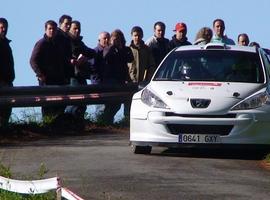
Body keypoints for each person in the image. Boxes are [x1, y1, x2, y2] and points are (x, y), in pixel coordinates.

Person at [30, 20, 71, 120]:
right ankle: (47, 125)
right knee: (48, 106)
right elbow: (33, 60)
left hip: (58, 80)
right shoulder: (41, 43)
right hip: (47, 81)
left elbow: (62, 60)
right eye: (50, 29)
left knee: (60, 104)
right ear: (45, 30)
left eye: (54, 29)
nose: (52, 31)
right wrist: (40, 74)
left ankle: (56, 126)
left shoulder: (57, 44)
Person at [65, 20, 96, 120]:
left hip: (81, 74)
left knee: (84, 100)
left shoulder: (79, 43)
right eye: (75, 28)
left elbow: (91, 52)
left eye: (79, 28)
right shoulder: (65, 41)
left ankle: (77, 122)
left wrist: (85, 59)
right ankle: (69, 121)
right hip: (71, 75)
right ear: (69, 28)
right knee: (75, 100)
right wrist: (71, 60)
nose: (77, 31)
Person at [102, 29, 133, 124]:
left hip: (122, 79)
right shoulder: (109, 48)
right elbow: (105, 57)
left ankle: (108, 121)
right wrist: (112, 46)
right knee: (112, 103)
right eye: (115, 39)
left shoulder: (125, 49)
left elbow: (130, 59)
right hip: (111, 79)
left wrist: (121, 48)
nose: (117, 41)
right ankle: (105, 121)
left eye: (119, 39)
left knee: (118, 104)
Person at [0, 18, 15, 126]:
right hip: (1, 82)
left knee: (7, 109)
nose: (3, 29)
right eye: (1, 27)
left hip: (7, 81)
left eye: (5, 27)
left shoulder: (6, 44)